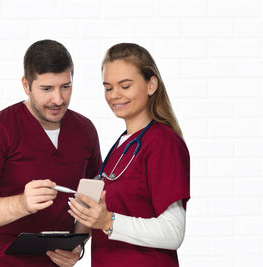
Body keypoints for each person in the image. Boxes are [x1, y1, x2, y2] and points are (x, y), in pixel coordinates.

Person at [0, 39, 102, 266]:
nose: (58, 99)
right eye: (46, 89)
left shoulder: (85, 129)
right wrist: (22, 204)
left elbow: (91, 196)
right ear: (26, 85)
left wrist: (79, 244)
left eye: (66, 86)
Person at [68, 43, 190, 266]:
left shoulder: (163, 142)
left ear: (151, 84)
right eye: (108, 87)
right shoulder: (120, 147)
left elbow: (174, 232)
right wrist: (76, 244)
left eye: (125, 86)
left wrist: (108, 221)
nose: (114, 95)